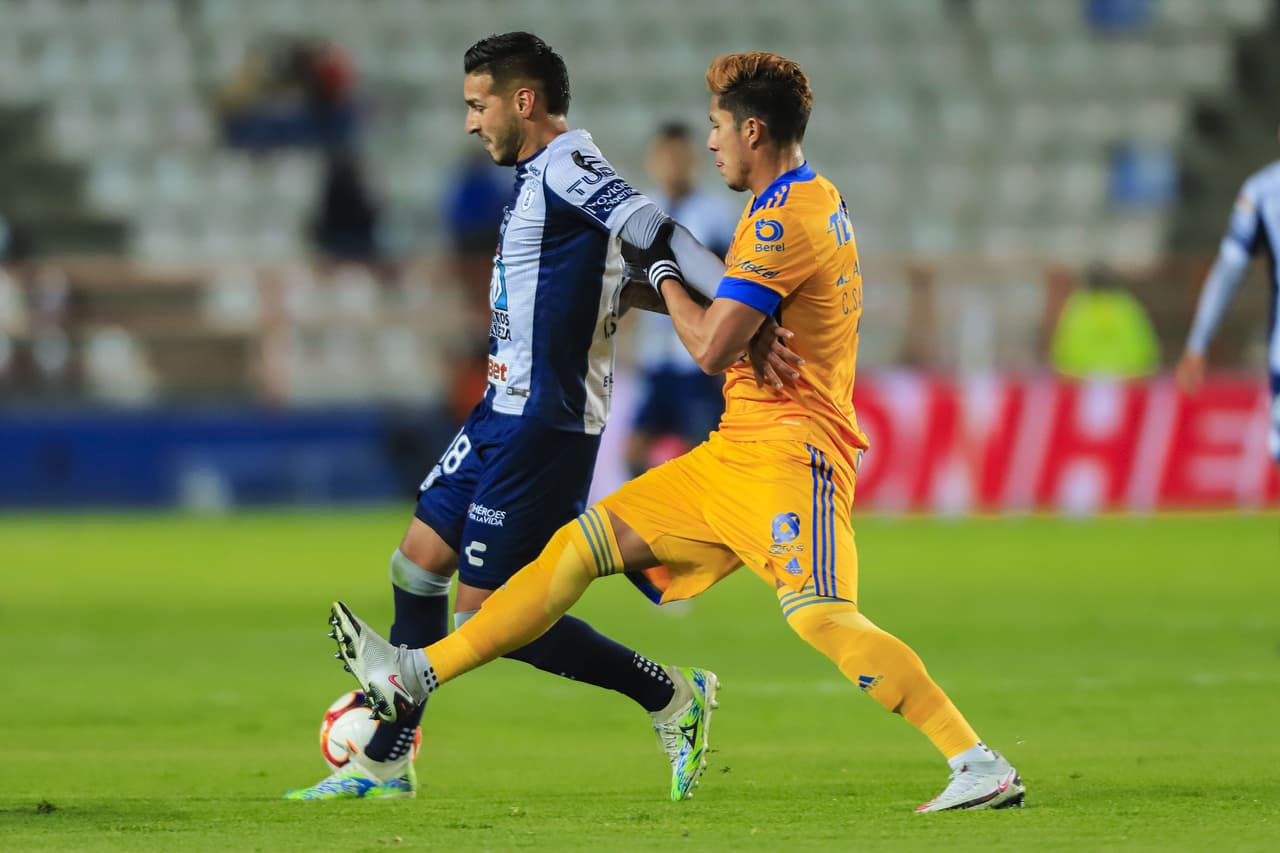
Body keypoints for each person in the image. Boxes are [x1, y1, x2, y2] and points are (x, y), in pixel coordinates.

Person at [328, 51, 1026, 813]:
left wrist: (660, 274)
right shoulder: (810, 195)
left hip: (791, 454)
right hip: (733, 450)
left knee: (824, 617)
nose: (711, 142)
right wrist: (639, 287)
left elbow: (711, 346)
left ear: (753, 131)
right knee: (577, 549)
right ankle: (418, 675)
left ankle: (977, 761)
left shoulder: (781, 219)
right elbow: (726, 315)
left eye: (718, 127)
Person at [288, 32, 793, 802]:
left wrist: (741, 309)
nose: (470, 122)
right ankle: (388, 759)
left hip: (545, 424)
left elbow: (660, 233)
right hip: (498, 410)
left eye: (477, 105)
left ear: (523, 101)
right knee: (415, 564)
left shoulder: (570, 166)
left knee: (493, 615)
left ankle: (669, 693)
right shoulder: (535, 177)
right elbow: (614, 282)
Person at [626, 122, 737, 476]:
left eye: (679, 156)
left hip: (696, 358)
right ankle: (650, 510)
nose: (673, 164)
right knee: (633, 452)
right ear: (653, 161)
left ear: (691, 160)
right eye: (666, 156)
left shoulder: (715, 214)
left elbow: (723, 286)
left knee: (701, 452)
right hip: (656, 358)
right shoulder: (640, 212)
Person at [1175, 135, 1280, 470]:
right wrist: (1197, 343)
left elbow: (1229, 270)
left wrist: (1198, 343)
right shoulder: (1263, 191)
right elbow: (1229, 270)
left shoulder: (1264, 190)